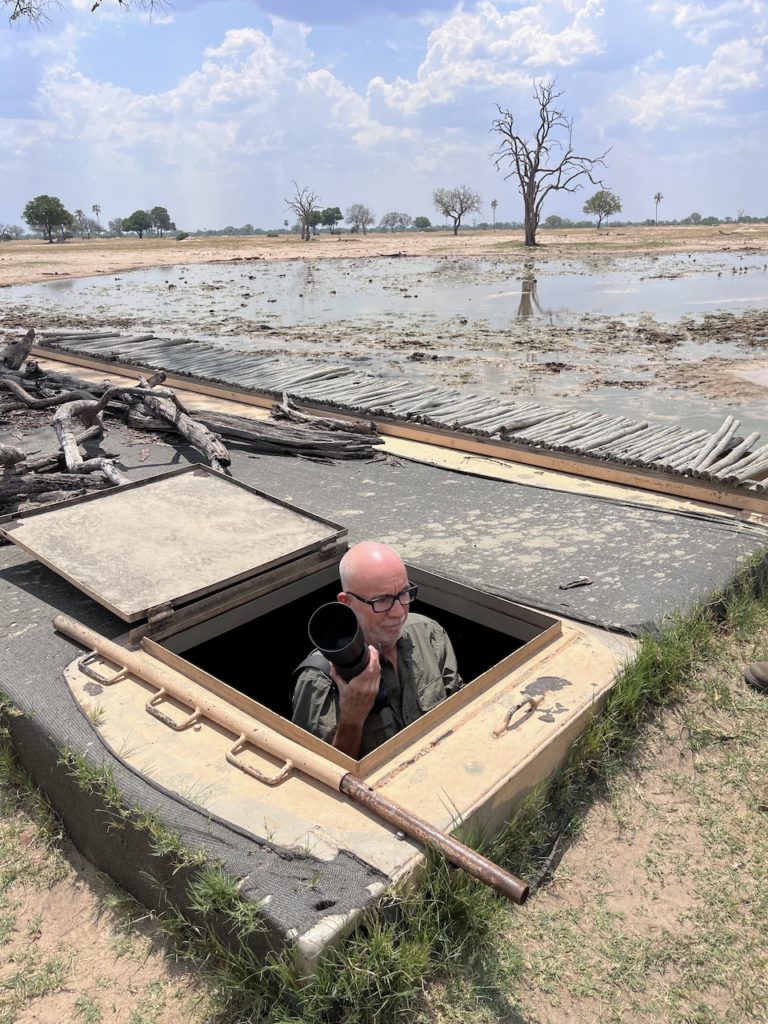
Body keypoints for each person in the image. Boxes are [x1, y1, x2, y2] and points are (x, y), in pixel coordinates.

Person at [292, 541, 463, 758]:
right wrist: (352, 719)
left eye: (403, 593)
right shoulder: (319, 681)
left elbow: (461, 716)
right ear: (347, 603)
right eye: (382, 600)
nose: (399, 612)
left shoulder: (428, 635)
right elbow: (317, 779)